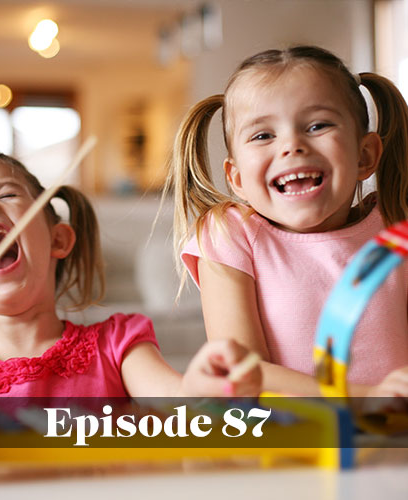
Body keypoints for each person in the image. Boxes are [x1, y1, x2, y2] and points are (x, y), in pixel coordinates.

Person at [0, 150, 261, 418]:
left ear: (58, 240)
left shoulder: (117, 344)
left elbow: (175, 401)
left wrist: (200, 389)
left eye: (5, 194)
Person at [164, 45, 408, 398]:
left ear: (365, 155)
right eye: (263, 135)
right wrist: (362, 399)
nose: (292, 145)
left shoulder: (395, 229)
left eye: (318, 125)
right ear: (237, 179)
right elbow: (243, 371)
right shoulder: (229, 235)